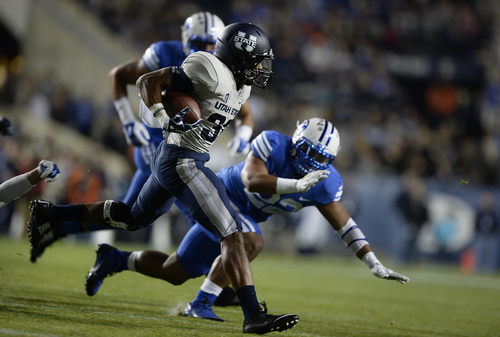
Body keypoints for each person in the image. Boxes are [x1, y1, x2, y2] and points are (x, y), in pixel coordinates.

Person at [27, 22, 299, 334]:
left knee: (132, 217)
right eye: (256, 60)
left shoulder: (241, 85)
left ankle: (51, 214)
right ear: (238, 58)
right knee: (232, 234)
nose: (261, 68)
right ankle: (252, 315)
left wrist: (243, 133)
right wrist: (163, 116)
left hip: (175, 159)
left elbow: (236, 109)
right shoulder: (209, 68)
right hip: (184, 161)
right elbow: (148, 81)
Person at [82, 118, 410, 322]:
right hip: (218, 195)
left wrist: (371, 261)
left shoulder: (326, 182)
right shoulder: (273, 142)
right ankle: (202, 303)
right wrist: (296, 185)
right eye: (307, 150)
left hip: (243, 215)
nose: (310, 161)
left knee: (176, 271)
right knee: (251, 240)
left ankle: (115, 259)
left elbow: (344, 223)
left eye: (319, 157)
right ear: (295, 139)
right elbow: (253, 181)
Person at [30, 11, 254, 263]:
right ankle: (214, 280)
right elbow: (120, 76)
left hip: (187, 148)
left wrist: (244, 134)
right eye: (201, 43)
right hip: (155, 142)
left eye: (212, 43)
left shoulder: (223, 70)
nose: (206, 48)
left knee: (129, 216)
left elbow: (243, 109)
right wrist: (128, 122)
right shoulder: (165, 53)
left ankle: (55, 225)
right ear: (187, 38)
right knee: (199, 217)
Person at [0, 117, 60, 208]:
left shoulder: (38, 158)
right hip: (26, 194)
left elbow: (3, 193)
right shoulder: (20, 160)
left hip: (32, 193)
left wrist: (38, 172)